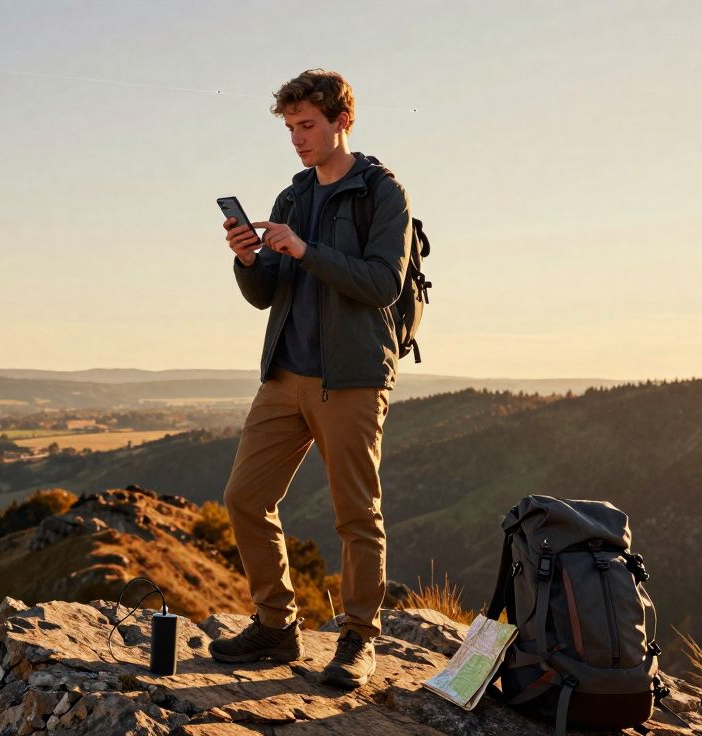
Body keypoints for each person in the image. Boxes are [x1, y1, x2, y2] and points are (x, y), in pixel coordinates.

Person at [208, 69, 412, 689]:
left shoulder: (382, 192)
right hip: (284, 377)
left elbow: (383, 283)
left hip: (349, 379)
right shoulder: (293, 197)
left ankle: (356, 639)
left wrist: (305, 251)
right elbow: (266, 292)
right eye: (291, 127)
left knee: (356, 515)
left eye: (308, 126)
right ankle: (277, 625)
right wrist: (249, 258)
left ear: (341, 121)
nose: (298, 139)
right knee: (245, 497)